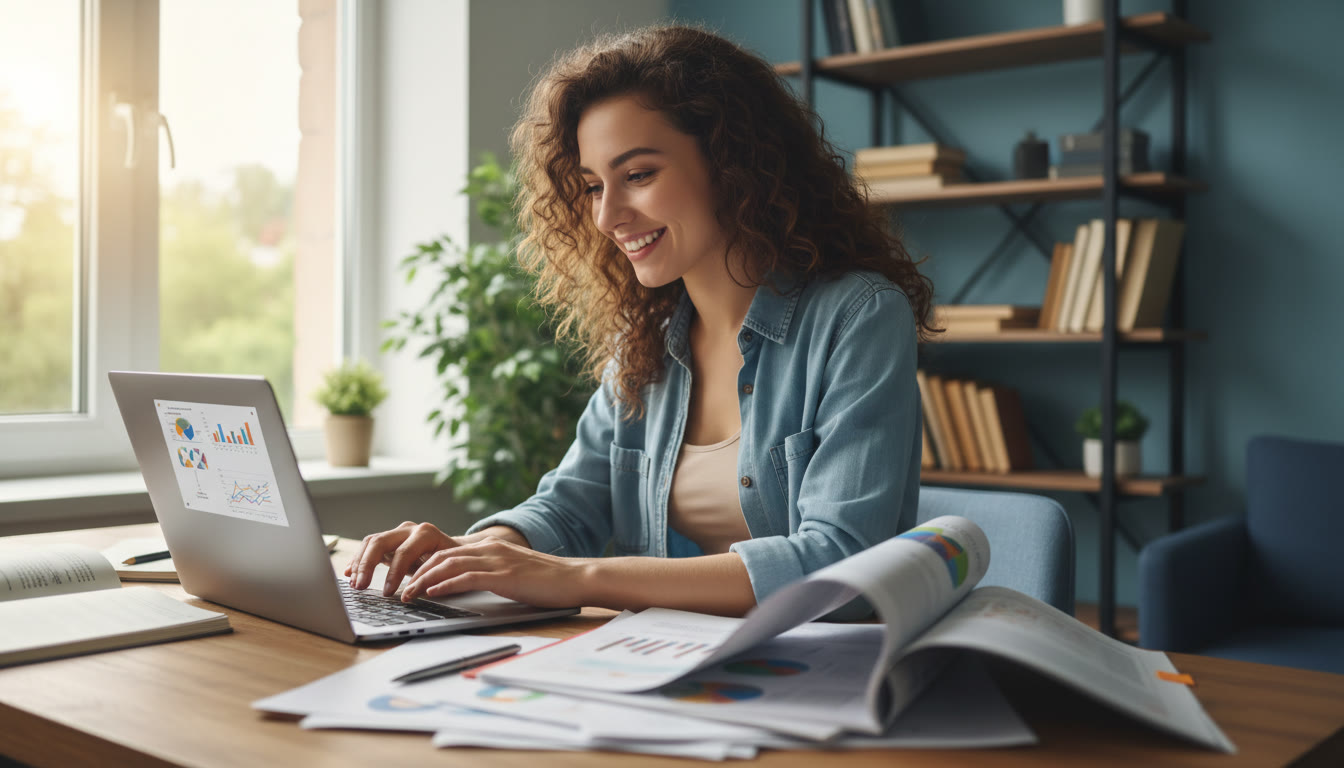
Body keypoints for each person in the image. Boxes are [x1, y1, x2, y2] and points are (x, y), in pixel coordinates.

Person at [345, 24, 936, 617]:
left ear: (735, 165)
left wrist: (580, 578)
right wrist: (476, 552)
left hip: (809, 669)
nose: (607, 215)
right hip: (660, 657)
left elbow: (838, 559)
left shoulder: (858, 317)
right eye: (594, 186)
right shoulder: (645, 343)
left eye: (638, 175)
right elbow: (569, 506)